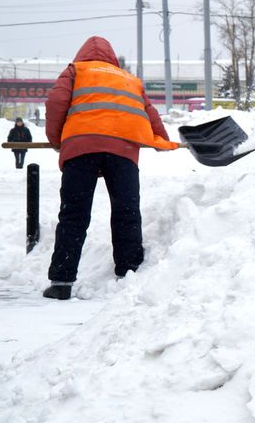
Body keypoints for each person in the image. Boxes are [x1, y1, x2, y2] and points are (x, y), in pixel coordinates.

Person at [41, 36, 178, 300]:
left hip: (81, 148)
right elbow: (150, 113)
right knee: (126, 210)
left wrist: (58, 141)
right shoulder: (128, 79)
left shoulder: (76, 70)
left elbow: (56, 103)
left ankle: (61, 281)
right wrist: (160, 140)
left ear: (82, 54)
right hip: (123, 150)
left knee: (73, 214)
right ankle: (129, 272)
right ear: (112, 58)